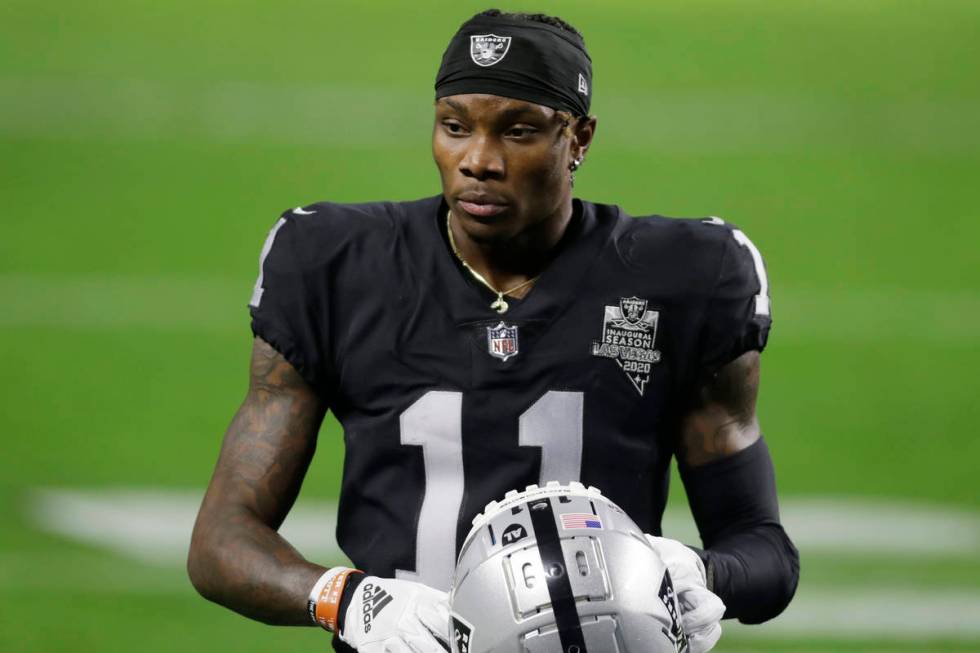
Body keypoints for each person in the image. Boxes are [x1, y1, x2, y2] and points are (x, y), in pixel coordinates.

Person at [188, 9, 799, 653]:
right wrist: (348, 600)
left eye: (518, 131)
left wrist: (699, 573)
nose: (478, 161)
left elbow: (764, 549)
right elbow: (221, 541)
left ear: (579, 138)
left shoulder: (685, 278)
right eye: (454, 127)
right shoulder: (334, 264)